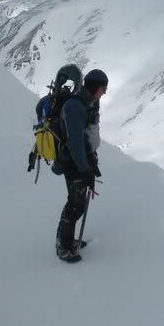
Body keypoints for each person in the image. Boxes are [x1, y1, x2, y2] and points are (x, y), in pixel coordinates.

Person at [55, 68, 107, 262]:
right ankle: (63, 246)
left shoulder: (87, 103)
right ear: (95, 87)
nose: (104, 93)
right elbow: (75, 141)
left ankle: (68, 240)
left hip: (81, 160)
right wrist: (84, 169)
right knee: (75, 204)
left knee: (78, 203)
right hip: (73, 162)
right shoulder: (76, 106)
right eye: (103, 89)